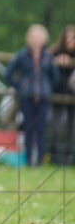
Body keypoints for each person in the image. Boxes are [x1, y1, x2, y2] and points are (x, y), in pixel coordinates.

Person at [3, 24, 61, 167]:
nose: (36, 40)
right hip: (27, 97)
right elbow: (8, 74)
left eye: (39, 37)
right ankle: (28, 161)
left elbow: (56, 77)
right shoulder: (22, 55)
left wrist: (47, 88)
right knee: (28, 129)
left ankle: (40, 161)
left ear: (44, 39)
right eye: (33, 37)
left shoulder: (48, 57)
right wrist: (21, 87)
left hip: (43, 98)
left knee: (41, 130)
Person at [47, 25, 75, 165]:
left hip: (72, 95)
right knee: (56, 125)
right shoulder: (54, 52)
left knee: (72, 127)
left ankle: (69, 157)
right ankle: (54, 155)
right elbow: (45, 65)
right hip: (57, 93)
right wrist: (56, 62)